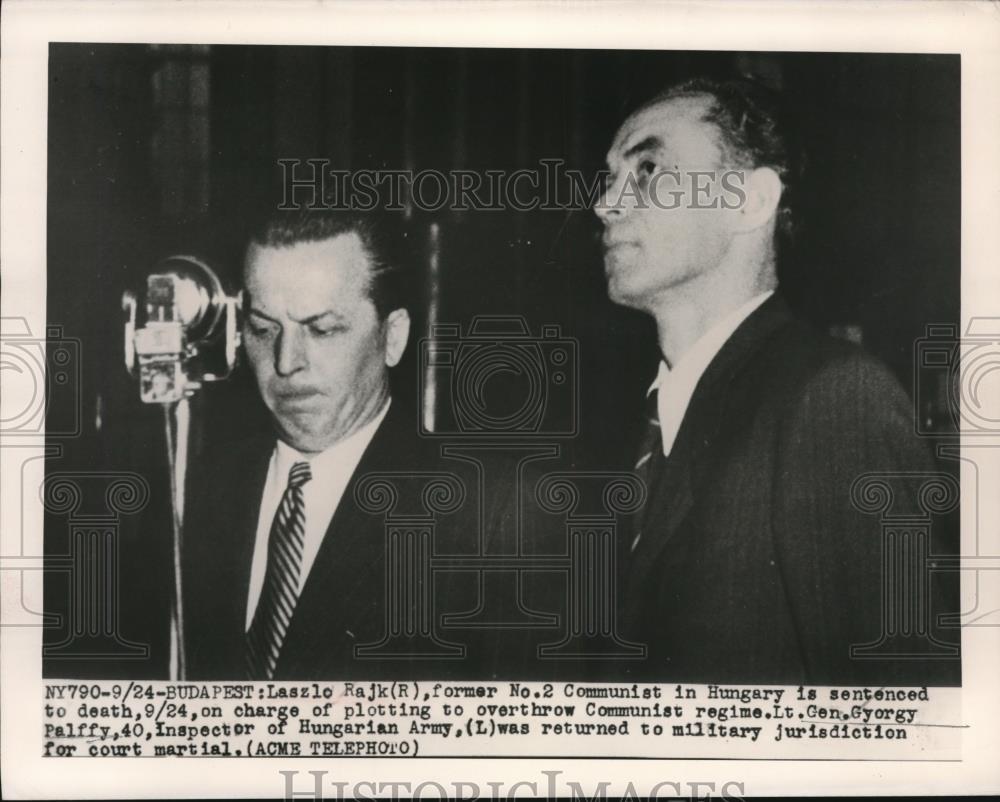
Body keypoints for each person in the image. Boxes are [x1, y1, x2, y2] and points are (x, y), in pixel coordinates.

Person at [595, 76, 959, 685]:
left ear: (750, 200)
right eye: (608, 177)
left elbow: (895, 717)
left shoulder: (833, 401)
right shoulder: (634, 428)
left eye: (649, 168)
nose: (605, 203)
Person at [181, 208, 492, 680]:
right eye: (264, 330)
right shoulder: (193, 488)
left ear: (393, 338)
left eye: (322, 330)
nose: (286, 363)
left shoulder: (479, 516)